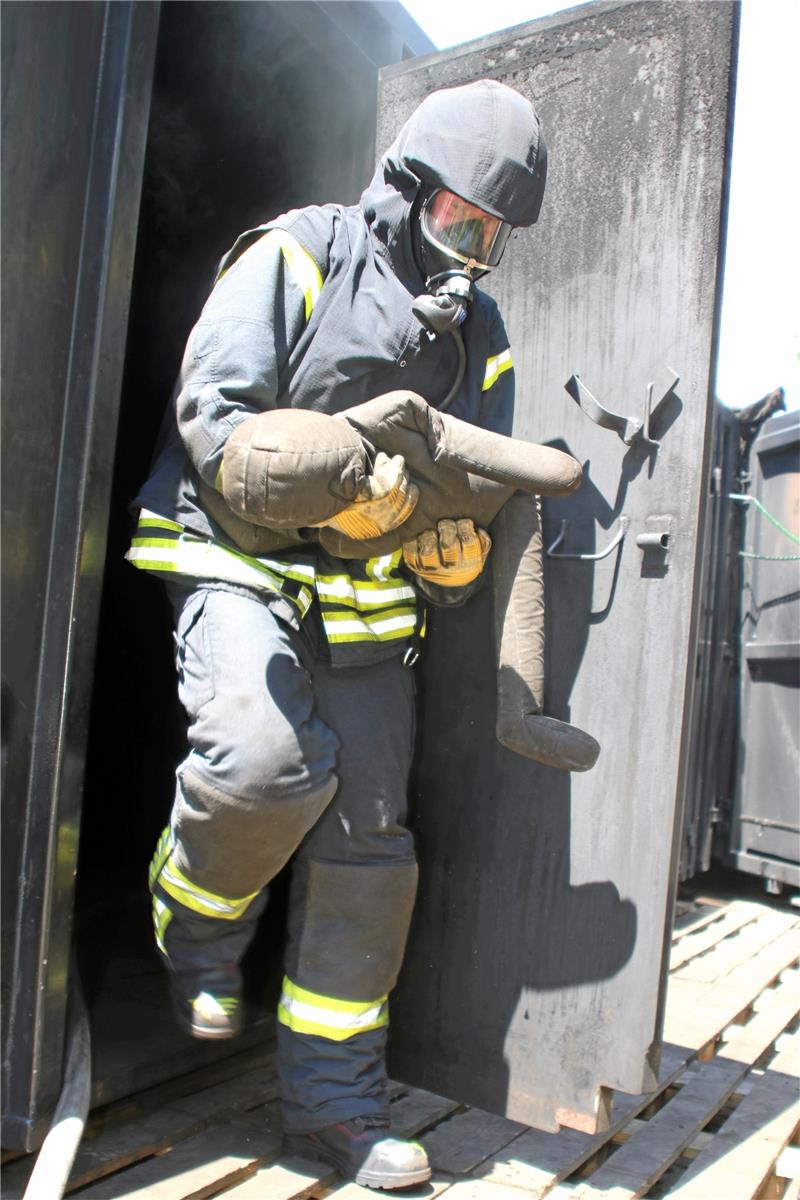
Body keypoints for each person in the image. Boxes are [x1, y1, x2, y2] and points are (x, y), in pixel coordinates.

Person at [127, 79, 548, 1189]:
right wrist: (327, 486)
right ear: (409, 189)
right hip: (235, 555)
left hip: (365, 604)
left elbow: (473, 492)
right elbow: (213, 417)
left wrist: (452, 565)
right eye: (458, 219)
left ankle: (332, 1115)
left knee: (371, 852)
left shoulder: (482, 340)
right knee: (265, 764)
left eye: (491, 235)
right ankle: (195, 927)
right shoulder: (298, 256)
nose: (471, 249)